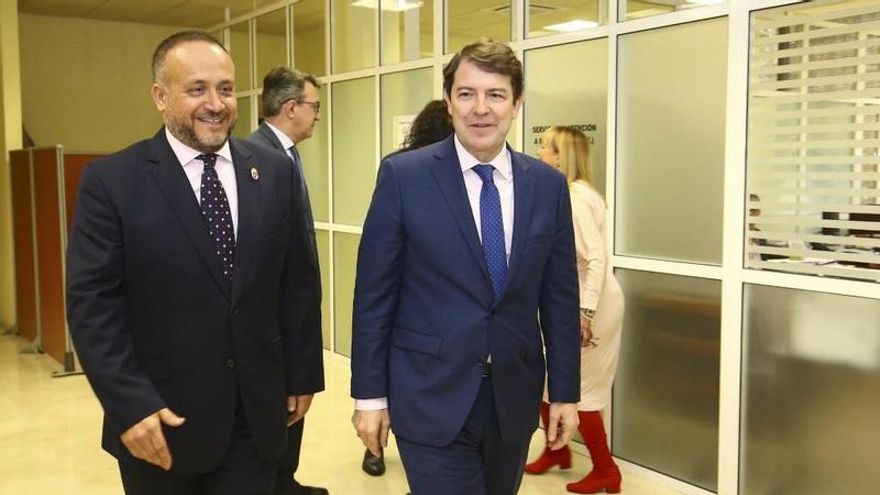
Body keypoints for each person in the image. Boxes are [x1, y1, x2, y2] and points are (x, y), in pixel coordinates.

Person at [65, 31, 324, 495]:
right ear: (160, 97)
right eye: (197, 89)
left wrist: (303, 374)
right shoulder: (112, 182)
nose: (216, 103)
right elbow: (93, 305)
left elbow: (298, 283)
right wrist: (129, 405)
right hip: (160, 423)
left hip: (255, 418)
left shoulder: (273, 172)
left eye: (225, 88)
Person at [350, 39, 582, 495]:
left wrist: (565, 392)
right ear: (448, 102)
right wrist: (370, 397)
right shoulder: (404, 177)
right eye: (467, 94)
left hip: (512, 399)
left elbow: (558, 296)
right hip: (428, 395)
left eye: (495, 95)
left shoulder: (548, 187)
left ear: (517, 103)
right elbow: (374, 296)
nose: (481, 109)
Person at [359, 98, 454, 478]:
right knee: (390, 373)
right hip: (405, 289)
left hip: (425, 297)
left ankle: (378, 450)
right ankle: (376, 444)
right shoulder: (401, 170)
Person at [527, 126, 625, 494]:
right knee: (549, 381)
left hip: (591, 301)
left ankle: (606, 470)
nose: (539, 151)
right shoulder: (571, 192)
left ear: (561, 156)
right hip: (575, 297)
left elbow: (596, 258)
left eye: (546, 147)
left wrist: (584, 313)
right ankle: (557, 450)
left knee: (577, 389)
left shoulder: (575, 195)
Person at [247, 67, 327, 495]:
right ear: (290, 107)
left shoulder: (286, 156)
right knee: (275, 415)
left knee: (291, 415)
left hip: (292, 323)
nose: (318, 116)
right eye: (314, 107)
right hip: (271, 327)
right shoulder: (256, 159)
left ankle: (285, 480)